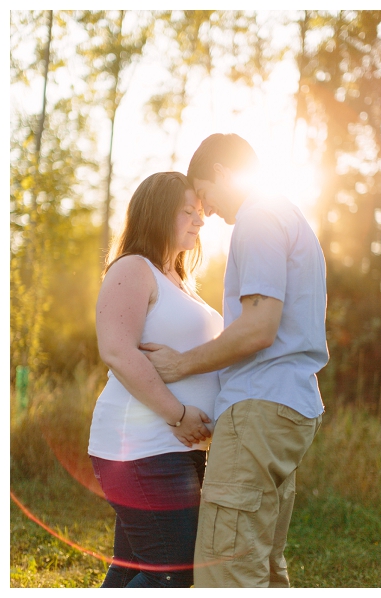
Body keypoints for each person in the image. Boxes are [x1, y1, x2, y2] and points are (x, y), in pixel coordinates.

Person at [140, 133, 328, 587]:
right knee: (260, 563)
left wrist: (180, 365)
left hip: (259, 408)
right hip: (289, 408)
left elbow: (259, 327)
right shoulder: (288, 214)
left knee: (225, 572)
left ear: (224, 173)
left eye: (203, 193)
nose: (205, 210)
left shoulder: (258, 217)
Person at [88, 172, 222, 587]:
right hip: (143, 446)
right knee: (172, 575)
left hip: (173, 448)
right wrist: (179, 414)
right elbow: (117, 350)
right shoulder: (133, 268)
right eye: (188, 212)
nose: (199, 221)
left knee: (134, 568)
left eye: (201, 213)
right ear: (158, 213)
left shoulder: (180, 282)